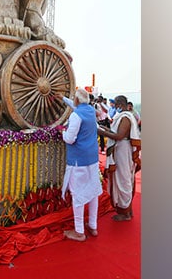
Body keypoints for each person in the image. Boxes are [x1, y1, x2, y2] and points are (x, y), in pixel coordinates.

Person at [55, 88, 103, 241]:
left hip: (78, 160)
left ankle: (79, 231)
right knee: (93, 191)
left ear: (76, 100)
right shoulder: (89, 110)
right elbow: (76, 106)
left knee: (77, 194)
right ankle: (93, 226)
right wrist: (63, 98)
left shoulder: (76, 115)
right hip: (92, 158)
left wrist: (61, 131)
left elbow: (69, 139)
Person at [97, 95, 140, 221]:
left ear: (120, 105)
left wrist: (102, 133)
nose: (114, 107)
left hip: (123, 151)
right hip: (120, 150)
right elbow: (114, 132)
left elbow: (119, 135)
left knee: (123, 180)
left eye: (115, 104)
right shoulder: (122, 116)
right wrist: (102, 128)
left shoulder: (125, 117)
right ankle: (127, 209)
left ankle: (125, 213)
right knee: (122, 179)